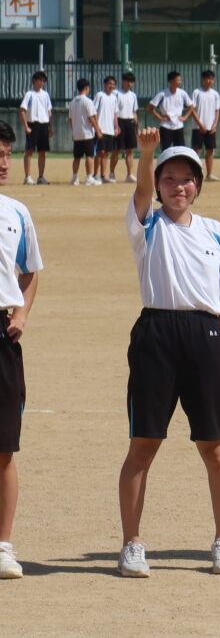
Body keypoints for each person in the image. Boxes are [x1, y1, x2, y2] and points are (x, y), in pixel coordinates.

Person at [118, 130, 220, 578]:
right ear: (158, 184)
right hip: (156, 333)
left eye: (187, 179)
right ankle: (132, 543)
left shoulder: (217, 232)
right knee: (144, 443)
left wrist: (213, 337)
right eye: (168, 178)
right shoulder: (147, 224)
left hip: (205, 335)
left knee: (215, 445)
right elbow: (140, 192)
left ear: (198, 184)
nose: (178, 187)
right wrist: (147, 154)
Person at [0, 120, 43, 579]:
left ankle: (3, 546)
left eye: (8, 155)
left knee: (3, 447)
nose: (4, 164)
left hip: (2, 334)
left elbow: (29, 271)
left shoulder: (16, 212)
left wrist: (22, 314)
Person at [18, 71, 52, 186]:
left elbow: (49, 112)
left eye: (43, 81)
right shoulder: (29, 94)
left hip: (44, 125)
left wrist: (50, 127)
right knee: (29, 151)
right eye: (40, 80)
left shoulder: (46, 95)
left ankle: (41, 177)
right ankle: (27, 177)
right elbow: (22, 110)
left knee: (42, 152)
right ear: (34, 81)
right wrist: (26, 126)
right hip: (33, 124)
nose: (42, 83)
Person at [148, 71, 193, 152]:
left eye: (180, 80)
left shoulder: (182, 93)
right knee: (165, 150)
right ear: (171, 81)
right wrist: (160, 117)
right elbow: (150, 107)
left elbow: (191, 106)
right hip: (166, 126)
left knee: (180, 150)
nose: (180, 82)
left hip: (178, 126)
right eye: (178, 80)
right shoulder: (162, 94)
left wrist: (184, 117)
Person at [191, 70, 220, 182]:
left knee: (210, 151)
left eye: (212, 79)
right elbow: (192, 109)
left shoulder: (215, 94)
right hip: (198, 127)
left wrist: (215, 125)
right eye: (208, 78)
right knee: (196, 151)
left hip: (210, 127)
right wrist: (200, 124)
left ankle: (209, 174)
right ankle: (194, 174)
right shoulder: (196, 92)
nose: (210, 81)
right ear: (203, 79)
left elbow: (217, 110)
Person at [69, 78, 101, 186]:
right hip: (87, 133)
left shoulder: (73, 102)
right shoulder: (88, 101)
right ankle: (89, 177)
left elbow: (70, 119)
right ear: (87, 88)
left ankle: (74, 178)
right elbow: (91, 118)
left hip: (77, 134)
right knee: (89, 155)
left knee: (77, 157)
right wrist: (98, 130)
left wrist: (73, 130)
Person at [111, 72, 139, 183]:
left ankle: (130, 174)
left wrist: (137, 127)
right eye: (128, 81)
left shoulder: (133, 95)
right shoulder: (116, 93)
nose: (130, 84)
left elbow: (134, 112)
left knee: (130, 150)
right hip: (119, 121)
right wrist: (115, 126)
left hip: (130, 122)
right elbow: (113, 111)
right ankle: (112, 173)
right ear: (123, 81)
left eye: (131, 82)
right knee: (117, 149)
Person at [94, 76, 121, 184]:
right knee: (100, 152)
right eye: (110, 83)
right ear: (104, 84)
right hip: (101, 129)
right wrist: (97, 127)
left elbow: (115, 114)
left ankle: (103, 175)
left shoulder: (114, 98)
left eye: (113, 84)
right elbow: (94, 111)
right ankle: (95, 175)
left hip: (110, 130)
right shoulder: (100, 95)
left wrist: (116, 127)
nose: (111, 86)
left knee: (106, 153)